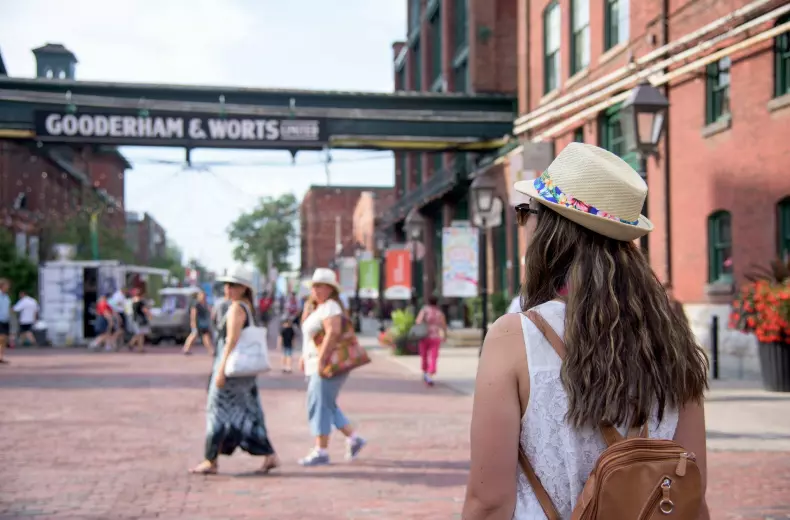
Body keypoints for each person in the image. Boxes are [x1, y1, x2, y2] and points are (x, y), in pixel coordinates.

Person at [462, 143, 710, 519]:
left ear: (549, 227)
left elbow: (489, 502)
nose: (523, 224)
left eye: (526, 212)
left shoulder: (515, 338)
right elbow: (693, 491)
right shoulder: (672, 339)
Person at [190, 266, 279, 475]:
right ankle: (268, 454)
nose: (228, 289)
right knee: (248, 411)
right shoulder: (247, 307)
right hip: (242, 372)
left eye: (233, 285)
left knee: (217, 411)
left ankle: (211, 459)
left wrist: (220, 369)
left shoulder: (237, 308)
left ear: (244, 288)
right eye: (227, 285)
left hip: (231, 369)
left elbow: (232, 340)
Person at [297, 268, 366, 466]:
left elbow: (332, 333)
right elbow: (310, 337)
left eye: (321, 286)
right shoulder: (318, 308)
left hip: (327, 364)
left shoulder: (331, 307)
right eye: (314, 286)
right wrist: (304, 356)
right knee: (326, 403)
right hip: (316, 363)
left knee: (319, 405)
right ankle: (353, 438)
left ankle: (321, 450)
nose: (316, 290)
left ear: (330, 289)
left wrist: (321, 360)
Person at [414, 296, 447, 386]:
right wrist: (444, 335)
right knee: (433, 356)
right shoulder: (439, 313)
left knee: (424, 355)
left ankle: (425, 372)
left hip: (424, 335)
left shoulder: (424, 310)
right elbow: (443, 325)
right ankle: (430, 373)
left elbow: (418, 321)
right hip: (435, 336)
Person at [182, 290, 214, 356]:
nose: (203, 297)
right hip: (197, 323)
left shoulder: (205, 304)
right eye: (202, 295)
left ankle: (210, 350)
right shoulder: (196, 304)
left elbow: (209, 311)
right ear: (198, 296)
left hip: (204, 324)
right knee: (194, 335)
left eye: (204, 296)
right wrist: (193, 323)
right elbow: (193, 314)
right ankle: (186, 348)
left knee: (205, 336)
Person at [129, 288, 151, 353]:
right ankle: (140, 348)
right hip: (141, 319)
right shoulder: (141, 301)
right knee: (141, 334)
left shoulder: (133, 301)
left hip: (135, 318)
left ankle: (131, 343)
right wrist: (149, 314)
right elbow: (144, 310)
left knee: (138, 333)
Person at [0, 279, 11, 364]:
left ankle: (1, 357)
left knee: (4, 340)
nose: (8, 287)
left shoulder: (6, 296)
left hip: (5, 319)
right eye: (6, 285)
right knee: (1, 337)